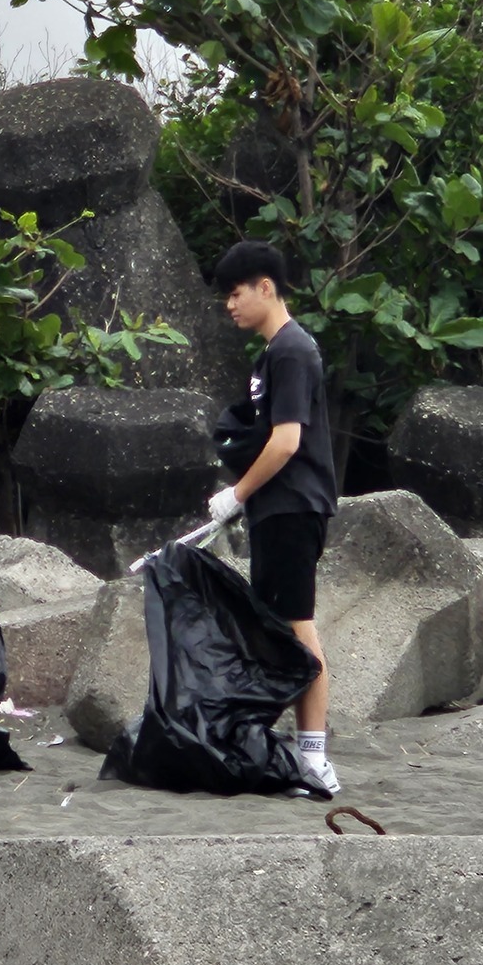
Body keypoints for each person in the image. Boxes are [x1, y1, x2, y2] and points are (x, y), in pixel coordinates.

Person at [206, 241, 340, 796]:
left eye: (235, 294)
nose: (229, 306)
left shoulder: (292, 351)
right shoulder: (269, 356)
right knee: (277, 628)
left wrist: (236, 493)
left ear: (266, 287)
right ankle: (278, 746)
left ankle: (314, 758)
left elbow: (287, 442)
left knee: (298, 628)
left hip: (293, 506)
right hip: (273, 510)